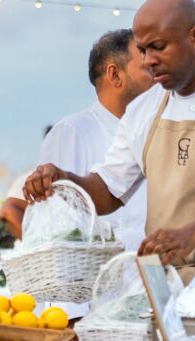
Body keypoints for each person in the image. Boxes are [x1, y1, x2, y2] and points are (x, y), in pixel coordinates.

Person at [24, 0, 195, 284]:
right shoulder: (144, 108)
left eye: (158, 47)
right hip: (166, 282)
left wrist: (188, 235)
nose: (149, 60)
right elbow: (108, 191)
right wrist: (65, 181)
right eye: (143, 50)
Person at [36, 29, 153, 252]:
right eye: (147, 69)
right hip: (101, 281)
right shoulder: (72, 132)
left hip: (157, 277)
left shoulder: (156, 128)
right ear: (115, 75)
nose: (158, 77)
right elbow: (60, 225)